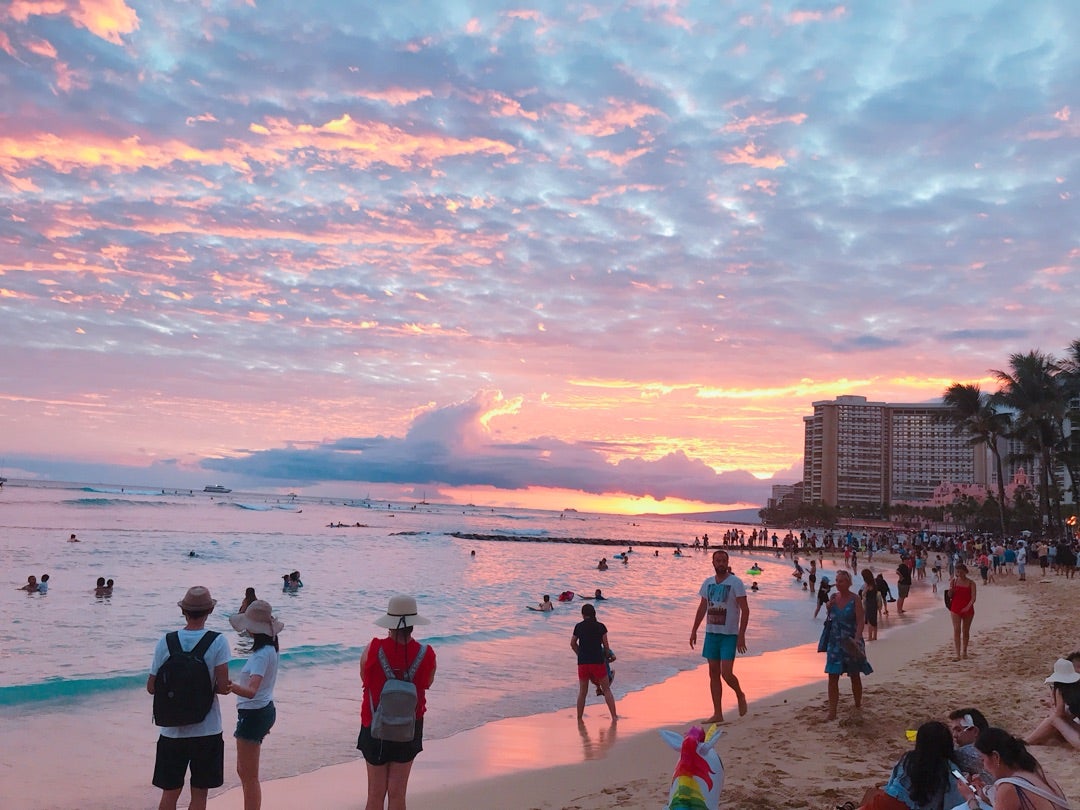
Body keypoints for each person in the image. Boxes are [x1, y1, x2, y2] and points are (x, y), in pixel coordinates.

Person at [147, 586, 231, 810]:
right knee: (199, 795)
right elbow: (223, 687)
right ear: (210, 611)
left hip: (171, 732)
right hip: (207, 730)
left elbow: (151, 687)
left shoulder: (166, 641)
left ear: (183, 611)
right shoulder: (218, 641)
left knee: (169, 794)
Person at [357, 595, 437, 810]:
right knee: (398, 794)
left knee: (375, 795)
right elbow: (427, 683)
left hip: (375, 725)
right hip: (409, 727)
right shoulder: (426, 653)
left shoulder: (373, 648)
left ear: (389, 623)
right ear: (413, 624)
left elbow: (364, 678)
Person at [228, 600, 284, 810]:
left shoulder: (261, 655)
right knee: (245, 772)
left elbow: (251, 691)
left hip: (254, 714)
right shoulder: (271, 649)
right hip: (261, 710)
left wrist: (229, 685)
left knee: (248, 775)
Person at [690, 550, 749, 723]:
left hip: (729, 635)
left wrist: (741, 635)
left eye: (723, 560)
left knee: (726, 673)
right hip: (711, 634)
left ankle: (740, 694)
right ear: (713, 563)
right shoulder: (707, 583)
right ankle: (718, 713)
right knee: (713, 673)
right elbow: (702, 608)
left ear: (727, 562)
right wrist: (694, 630)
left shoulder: (736, 583)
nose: (721, 563)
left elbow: (745, 610)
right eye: (718, 560)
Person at [957, 727, 1070, 810]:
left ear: (996, 757)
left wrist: (970, 798)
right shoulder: (1041, 776)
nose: (984, 767)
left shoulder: (1010, 787)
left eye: (983, 760)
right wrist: (984, 794)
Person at [860, 721, 965, 810]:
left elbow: (892, 782)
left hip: (892, 800)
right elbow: (955, 802)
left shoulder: (908, 758)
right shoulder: (950, 768)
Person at [823, 569, 872, 720]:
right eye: (836, 581)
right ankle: (832, 712)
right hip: (835, 641)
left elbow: (860, 621)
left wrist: (857, 640)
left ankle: (858, 704)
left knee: (854, 675)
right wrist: (829, 607)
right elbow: (830, 618)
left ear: (849, 583)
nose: (838, 584)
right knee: (832, 676)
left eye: (841, 581)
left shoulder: (855, 599)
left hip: (851, 642)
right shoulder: (833, 597)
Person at [571, 603, 617, 721]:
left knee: (582, 692)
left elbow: (572, 643)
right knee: (606, 689)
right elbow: (606, 647)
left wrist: (580, 654)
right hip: (597, 661)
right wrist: (608, 657)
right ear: (594, 614)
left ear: (583, 615)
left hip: (583, 663)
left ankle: (579, 718)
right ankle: (614, 716)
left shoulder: (578, 626)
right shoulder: (601, 627)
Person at [1025, 658, 1080, 750]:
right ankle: (1027, 741)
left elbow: (1059, 714)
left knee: (1054, 718)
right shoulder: (1076, 688)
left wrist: (1053, 698)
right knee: (1059, 717)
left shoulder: (1061, 689)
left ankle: (1027, 741)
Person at [947, 708, 992, 786]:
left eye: (958, 730)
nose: (954, 735)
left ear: (975, 731)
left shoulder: (964, 754)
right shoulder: (996, 747)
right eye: (953, 731)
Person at [949, 563, 977, 660]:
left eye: (961, 571)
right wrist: (950, 590)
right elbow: (950, 595)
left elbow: (973, 598)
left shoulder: (971, 583)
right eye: (957, 571)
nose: (959, 573)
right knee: (957, 630)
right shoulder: (954, 581)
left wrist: (967, 607)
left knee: (965, 631)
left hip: (968, 608)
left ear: (965, 571)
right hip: (955, 608)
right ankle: (957, 654)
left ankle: (964, 651)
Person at [860, 568, 881, 641]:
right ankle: (874, 636)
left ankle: (870, 637)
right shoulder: (874, 583)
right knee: (874, 620)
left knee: (869, 620)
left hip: (869, 603)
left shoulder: (867, 585)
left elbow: (863, 593)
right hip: (874, 602)